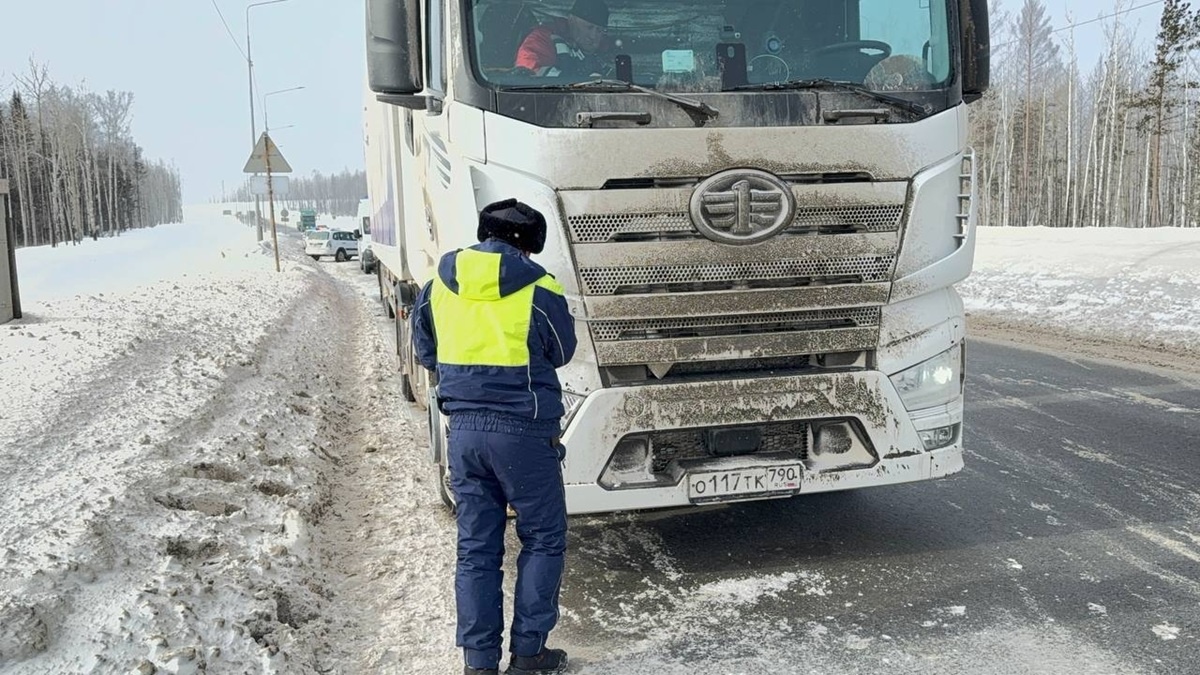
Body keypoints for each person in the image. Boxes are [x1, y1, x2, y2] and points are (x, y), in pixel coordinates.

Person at [412, 199, 578, 675]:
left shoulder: (438, 285)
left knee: (476, 549)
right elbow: (562, 351)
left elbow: (426, 351)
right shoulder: (540, 288)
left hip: (464, 434)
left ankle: (479, 663)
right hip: (524, 434)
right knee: (542, 539)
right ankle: (529, 656)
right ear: (528, 246)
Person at [514, 0, 610, 78]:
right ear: (571, 20)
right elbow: (530, 74)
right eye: (589, 27)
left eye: (599, 30)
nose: (593, 36)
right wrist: (585, 81)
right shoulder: (543, 39)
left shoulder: (605, 47)